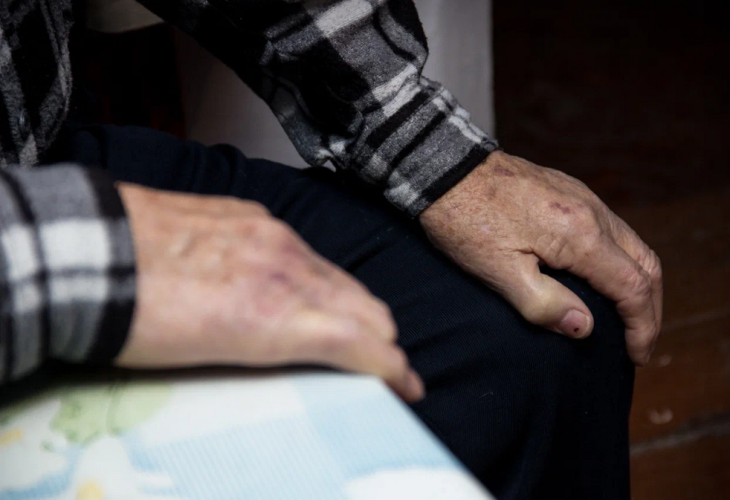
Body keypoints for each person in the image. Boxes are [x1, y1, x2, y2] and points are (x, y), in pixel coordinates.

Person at [0, 1, 662, 499]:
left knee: (543, 335)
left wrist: (432, 154)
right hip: (33, 247)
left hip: (43, 162)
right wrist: (87, 258)